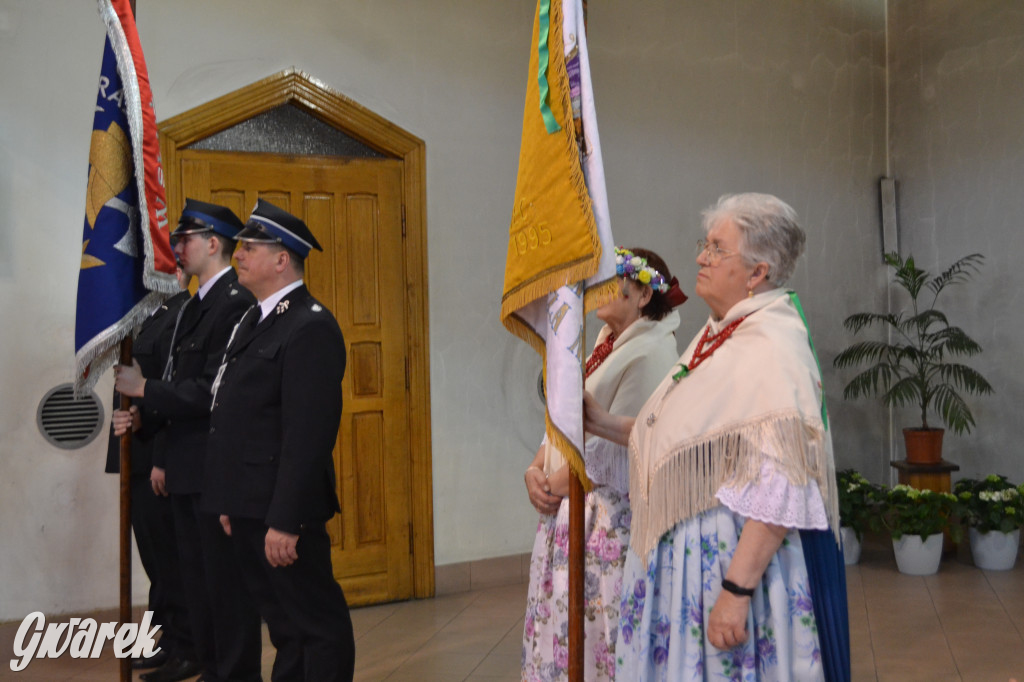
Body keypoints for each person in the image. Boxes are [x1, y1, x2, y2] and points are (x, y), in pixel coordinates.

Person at [585, 194, 849, 681]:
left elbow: (782, 482)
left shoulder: (771, 344)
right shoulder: (721, 333)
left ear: (756, 273)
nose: (701, 258)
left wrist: (736, 592)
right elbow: (675, 436)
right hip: (693, 564)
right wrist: (596, 420)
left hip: (731, 570)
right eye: (704, 245)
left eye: (716, 248)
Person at [204, 199, 356, 682]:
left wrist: (286, 520)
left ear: (281, 259)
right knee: (285, 626)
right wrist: (230, 497)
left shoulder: (309, 325)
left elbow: (308, 434)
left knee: (315, 624)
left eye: (250, 247)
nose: (239, 254)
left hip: (283, 511)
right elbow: (237, 416)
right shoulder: (253, 319)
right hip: (249, 504)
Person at [522, 247, 687, 681]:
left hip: (605, 518)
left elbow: (614, 449)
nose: (598, 291)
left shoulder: (650, 354)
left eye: (612, 282)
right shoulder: (605, 343)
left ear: (643, 295)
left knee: (595, 633)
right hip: (568, 502)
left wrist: (553, 485)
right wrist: (534, 469)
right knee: (560, 626)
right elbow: (564, 418)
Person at [115, 199, 261, 682]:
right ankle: (210, 666)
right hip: (183, 463)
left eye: (186, 239)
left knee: (223, 587)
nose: (177, 247)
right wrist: (152, 436)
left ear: (213, 243)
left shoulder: (235, 303)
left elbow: (210, 391)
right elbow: (183, 380)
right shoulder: (197, 305)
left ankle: (232, 673)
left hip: (212, 467)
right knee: (196, 582)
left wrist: (145, 391)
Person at [108, 263, 192, 672]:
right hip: (137, 453)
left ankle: (185, 645)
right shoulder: (152, 315)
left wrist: (160, 458)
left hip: (155, 454)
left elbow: (169, 394)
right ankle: (169, 637)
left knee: (170, 560)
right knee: (155, 559)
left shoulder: (181, 316)